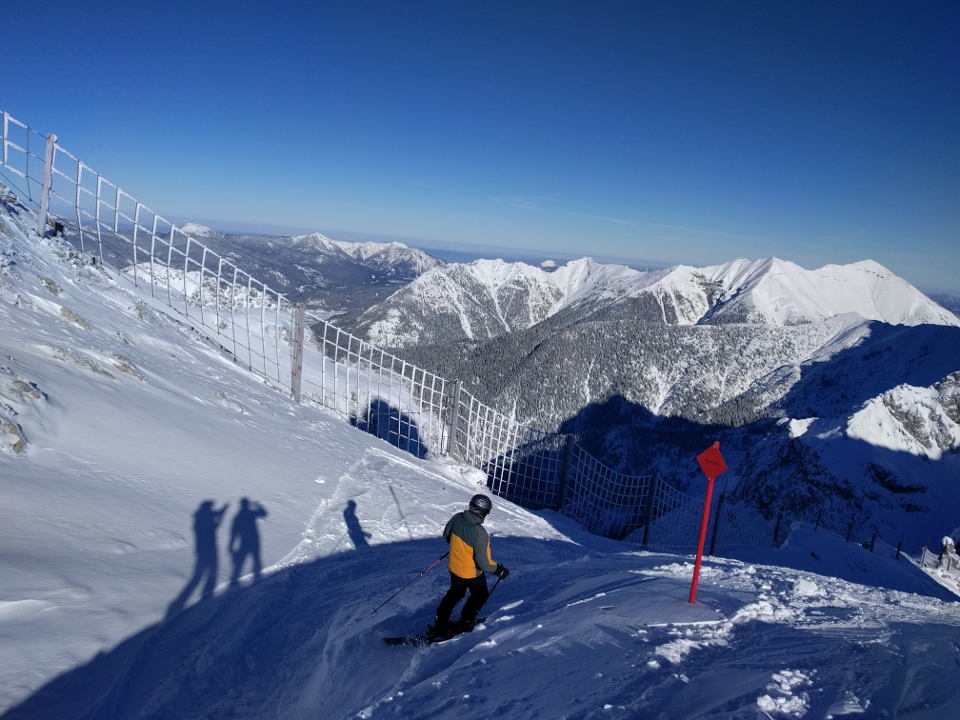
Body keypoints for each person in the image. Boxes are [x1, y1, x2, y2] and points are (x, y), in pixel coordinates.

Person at [431, 494, 509, 638]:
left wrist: (458, 546)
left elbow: (446, 535)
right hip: (470, 573)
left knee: (455, 593)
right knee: (480, 594)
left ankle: (440, 622)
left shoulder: (457, 517)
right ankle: (466, 622)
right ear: (482, 512)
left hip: (454, 567)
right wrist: (499, 570)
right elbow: (484, 564)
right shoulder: (480, 533)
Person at [229, 498, 268, 586]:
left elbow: (234, 532)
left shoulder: (238, 516)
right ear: (247, 505)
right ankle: (257, 578)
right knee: (256, 560)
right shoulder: (251, 513)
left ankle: (234, 581)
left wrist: (231, 544)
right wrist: (258, 506)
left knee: (241, 562)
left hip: (244, 542)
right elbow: (264, 514)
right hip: (254, 541)